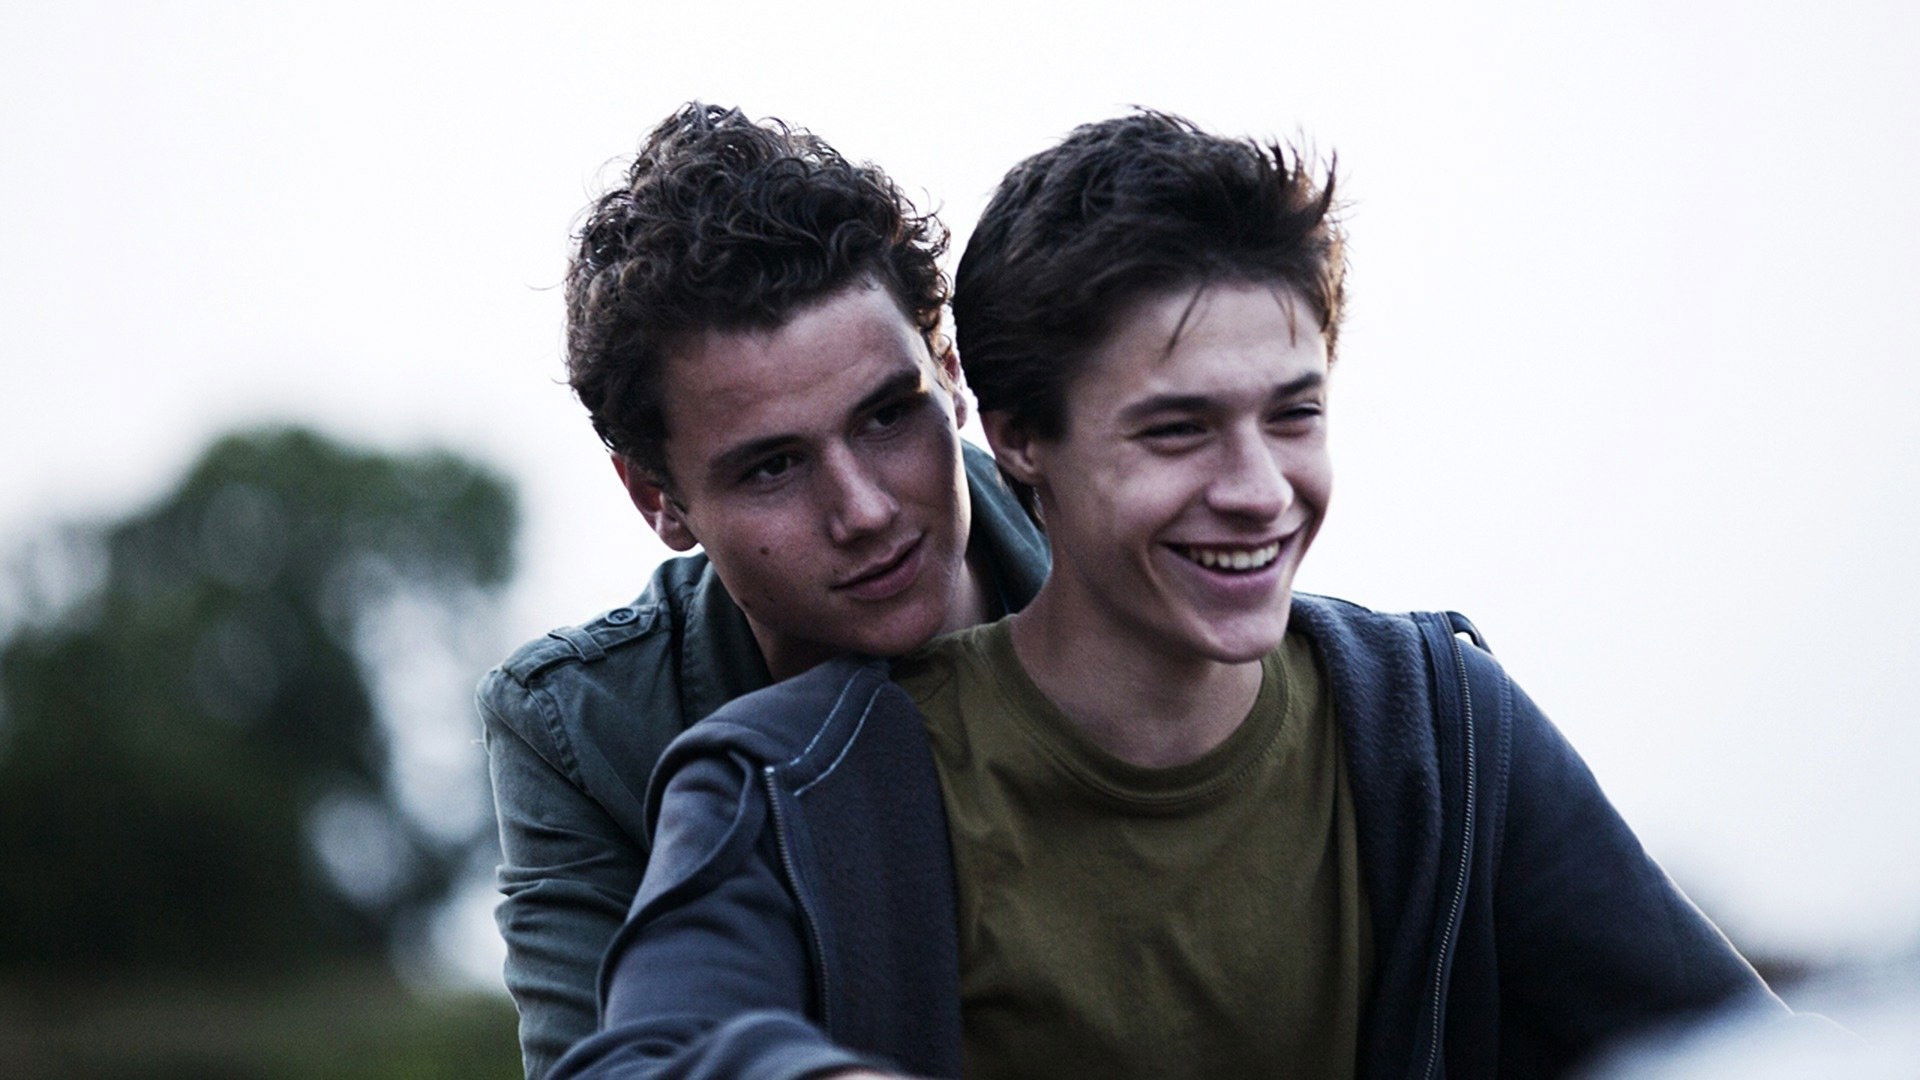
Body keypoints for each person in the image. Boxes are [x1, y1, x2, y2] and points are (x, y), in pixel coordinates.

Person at [550, 111, 1785, 1080]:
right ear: (1018, 436)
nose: (1256, 492)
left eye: (1292, 415)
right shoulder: (786, 778)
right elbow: (639, 1059)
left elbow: (1746, 1048)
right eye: (1177, 430)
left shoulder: (1437, 727)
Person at [477, 103, 1049, 1077]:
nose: (863, 510)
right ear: (658, 499)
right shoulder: (585, 732)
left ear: (951, 375)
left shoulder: (1119, 561)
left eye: (887, 417)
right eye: (773, 467)